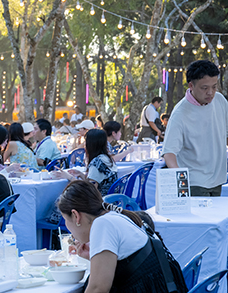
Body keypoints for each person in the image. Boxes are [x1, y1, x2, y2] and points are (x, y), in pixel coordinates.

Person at [57, 180, 187, 293]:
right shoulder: (116, 217)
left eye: (65, 220)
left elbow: (98, 288)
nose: (68, 226)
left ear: (76, 216)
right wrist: (95, 258)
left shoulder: (102, 224)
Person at [163, 60, 228, 197]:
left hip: (218, 179)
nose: (210, 93)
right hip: (194, 183)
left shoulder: (220, 101)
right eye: (204, 88)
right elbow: (169, 153)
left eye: (214, 87)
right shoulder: (180, 113)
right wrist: (183, 183)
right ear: (191, 85)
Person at [54, 128, 118, 195]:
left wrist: (69, 177)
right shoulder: (107, 159)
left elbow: (89, 191)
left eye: (85, 142)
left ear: (89, 144)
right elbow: (94, 182)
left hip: (100, 202)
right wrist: (81, 175)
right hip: (111, 200)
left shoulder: (97, 163)